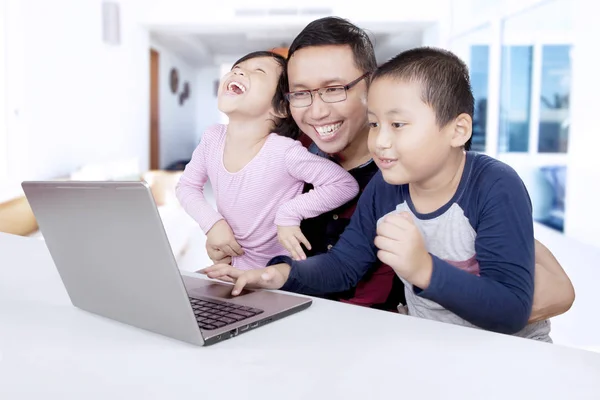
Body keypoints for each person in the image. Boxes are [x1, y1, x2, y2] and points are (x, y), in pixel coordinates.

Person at [203, 17, 574, 321]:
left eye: (334, 88)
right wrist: (250, 259)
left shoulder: (447, 172)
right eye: (301, 93)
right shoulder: (294, 154)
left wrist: (427, 272)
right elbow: (343, 263)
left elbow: (535, 288)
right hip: (303, 320)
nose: (316, 111)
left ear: (371, 83)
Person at [176, 50, 359, 271]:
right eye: (237, 69)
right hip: (229, 268)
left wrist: (289, 214)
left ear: (281, 107)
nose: (239, 72)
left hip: (275, 277)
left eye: (257, 71)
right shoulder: (212, 137)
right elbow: (186, 186)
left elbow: (344, 184)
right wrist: (212, 224)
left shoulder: (284, 152)